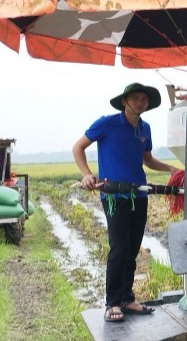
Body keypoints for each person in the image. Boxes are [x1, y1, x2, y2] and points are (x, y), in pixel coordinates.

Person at [73, 83, 179, 323]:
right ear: (124, 101)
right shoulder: (107, 123)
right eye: (135, 98)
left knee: (132, 249)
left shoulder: (145, 128)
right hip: (115, 197)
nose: (140, 102)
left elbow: (148, 160)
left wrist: (171, 168)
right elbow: (78, 147)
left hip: (139, 195)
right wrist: (86, 174)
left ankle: (127, 298)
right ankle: (112, 302)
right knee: (119, 249)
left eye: (144, 99)